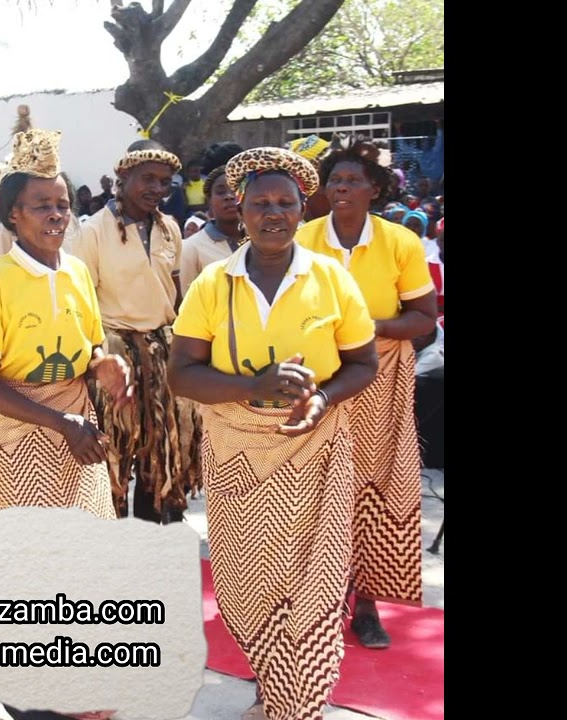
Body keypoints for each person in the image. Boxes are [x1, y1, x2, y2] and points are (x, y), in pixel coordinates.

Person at [168, 146, 379, 720]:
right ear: (239, 207)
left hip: (317, 450)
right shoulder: (214, 284)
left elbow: (364, 364)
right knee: (247, 588)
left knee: (312, 591)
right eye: (260, 202)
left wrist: (322, 398)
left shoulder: (331, 278)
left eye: (286, 202)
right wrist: (250, 387)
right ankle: (273, 693)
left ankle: (291, 705)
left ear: (301, 208)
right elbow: (181, 374)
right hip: (236, 455)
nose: (274, 213)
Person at [296, 138, 437, 650]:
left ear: (374, 189)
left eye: (352, 181)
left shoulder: (400, 242)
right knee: (310, 487)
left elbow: (424, 319)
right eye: (334, 181)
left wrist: (366, 325)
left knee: (371, 490)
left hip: (379, 377)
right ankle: (310, 604)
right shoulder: (303, 237)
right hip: (318, 372)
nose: (341, 189)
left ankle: (366, 605)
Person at [0, 130, 133, 520]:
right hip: (15, 437)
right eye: (41, 206)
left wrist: (102, 364)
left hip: (78, 432)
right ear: (13, 215)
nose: (56, 214)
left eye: (62, 204)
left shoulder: (76, 272)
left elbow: (91, 348)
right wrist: (61, 423)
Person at [74, 139, 197, 524]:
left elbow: (172, 292)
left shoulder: (170, 229)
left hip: (162, 350)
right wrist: (98, 361)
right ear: (122, 177)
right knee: (114, 457)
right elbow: (81, 303)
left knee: (161, 456)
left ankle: (157, 541)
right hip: (114, 353)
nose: (157, 189)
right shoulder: (92, 231)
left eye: (165, 182)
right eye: (148, 179)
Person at [179, 154, 245, 290]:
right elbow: (187, 300)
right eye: (221, 192)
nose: (229, 196)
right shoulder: (193, 247)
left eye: (235, 190)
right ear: (209, 200)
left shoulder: (261, 242)